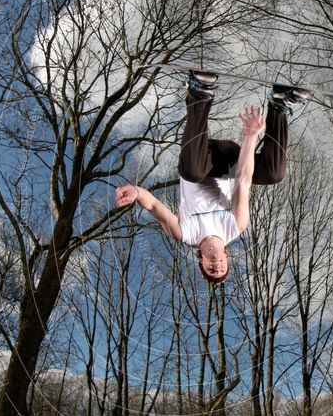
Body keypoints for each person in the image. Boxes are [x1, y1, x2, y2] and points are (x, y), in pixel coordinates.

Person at [115, 70, 309, 284]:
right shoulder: (235, 226)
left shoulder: (185, 234)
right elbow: (243, 181)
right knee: (274, 174)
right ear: (227, 258)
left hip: (199, 157)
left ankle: (199, 94)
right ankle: (279, 105)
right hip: (228, 160)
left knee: (192, 173)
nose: (216, 267)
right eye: (221, 269)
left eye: (211, 270)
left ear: (202, 263)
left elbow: (153, 206)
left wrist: (137, 192)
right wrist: (250, 136)